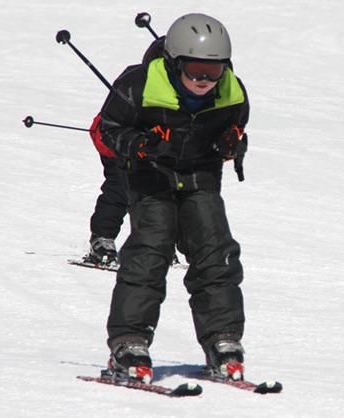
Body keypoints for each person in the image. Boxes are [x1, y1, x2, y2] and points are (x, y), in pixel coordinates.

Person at [97, 13, 249, 384]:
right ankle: (129, 343)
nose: (204, 81)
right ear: (174, 62)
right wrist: (140, 143)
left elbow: (235, 129)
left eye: (213, 72)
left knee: (217, 254)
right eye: (196, 70)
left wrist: (232, 143)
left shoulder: (232, 91)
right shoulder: (138, 86)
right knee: (150, 252)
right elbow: (108, 128)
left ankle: (223, 342)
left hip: (200, 179)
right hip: (150, 178)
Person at [85, 114, 127, 266]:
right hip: (115, 139)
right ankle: (102, 237)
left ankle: (156, 242)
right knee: (120, 187)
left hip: (152, 145)